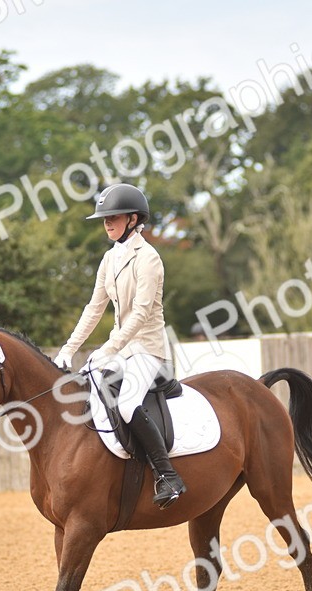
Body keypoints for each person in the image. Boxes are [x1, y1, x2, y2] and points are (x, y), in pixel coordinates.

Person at [53, 184, 186, 509]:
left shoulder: (149, 258)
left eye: (113, 217)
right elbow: (94, 308)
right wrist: (69, 349)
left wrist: (109, 348)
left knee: (126, 405)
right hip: (122, 349)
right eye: (104, 219)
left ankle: (168, 476)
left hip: (148, 350)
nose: (107, 223)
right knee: (90, 393)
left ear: (132, 219)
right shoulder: (109, 259)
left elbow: (140, 314)